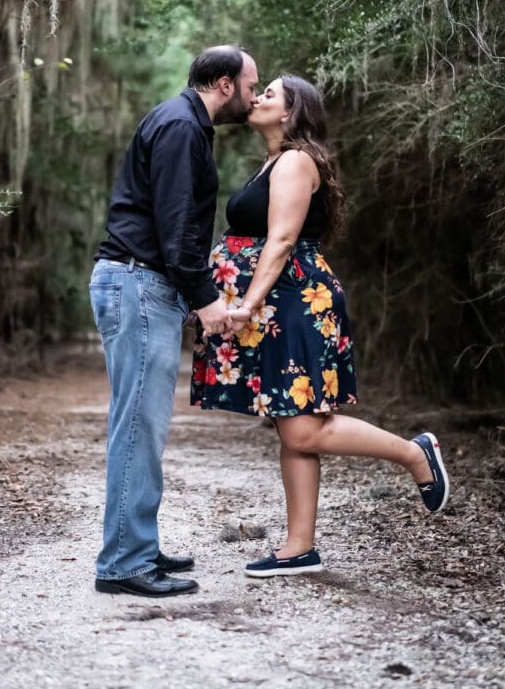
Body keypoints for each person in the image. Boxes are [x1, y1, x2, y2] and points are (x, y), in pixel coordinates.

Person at [191, 74, 450, 577]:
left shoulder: (293, 161)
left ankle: (415, 454)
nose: (257, 97)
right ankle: (300, 546)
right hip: (278, 304)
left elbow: (283, 240)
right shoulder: (273, 161)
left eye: (269, 93)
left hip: (290, 303)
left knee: (305, 428)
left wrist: (246, 303)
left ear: (290, 112)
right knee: (292, 428)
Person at [90, 45, 258, 596]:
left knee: (140, 424)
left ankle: (134, 545)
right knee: (138, 426)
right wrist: (205, 299)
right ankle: (124, 565)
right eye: (251, 85)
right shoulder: (183, 127)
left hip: (140, 283)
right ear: (226, 84)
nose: (254, 97)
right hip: (139, 282)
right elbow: (176, 224)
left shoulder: (181, 122)